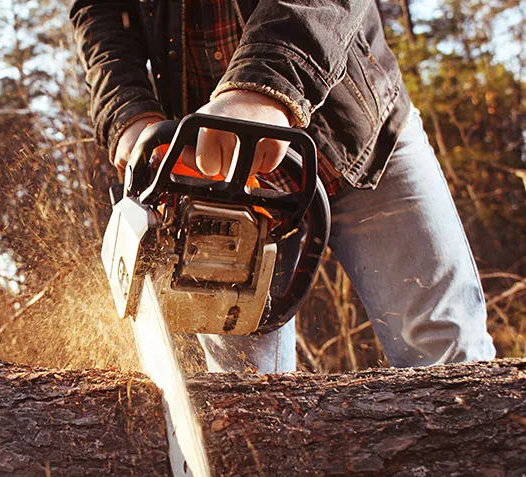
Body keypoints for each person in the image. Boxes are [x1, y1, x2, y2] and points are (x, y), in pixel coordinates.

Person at [70, 0, 496, 372]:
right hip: (213, 169)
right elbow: (101, 11)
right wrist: (127, 112)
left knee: (446, 347)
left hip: (359, 129)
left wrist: (265, 84)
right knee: (244, 391)